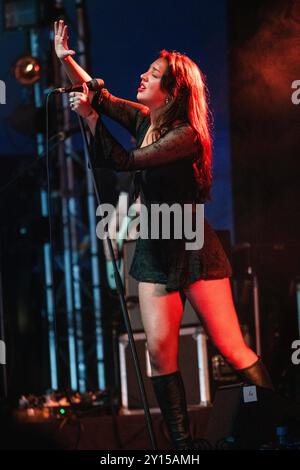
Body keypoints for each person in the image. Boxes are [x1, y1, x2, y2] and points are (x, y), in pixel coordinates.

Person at [54, 20, 274, 450]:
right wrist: (68, 61)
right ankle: (181, 447)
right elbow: (101, 95)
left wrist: (93, 120)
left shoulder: (184, 137)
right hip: (154, 249)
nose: (142, 76)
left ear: (172, 93)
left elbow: (122, 161)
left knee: (232, 346)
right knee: (160, 355)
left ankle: (277, 424)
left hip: (191, 245)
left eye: (152, 75)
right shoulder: (145, 120)